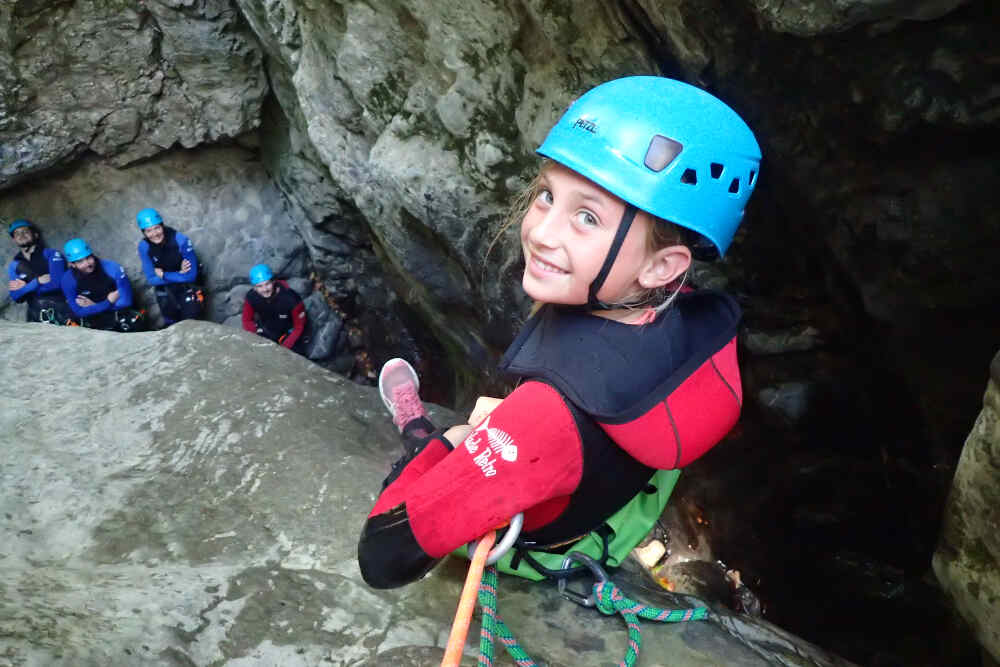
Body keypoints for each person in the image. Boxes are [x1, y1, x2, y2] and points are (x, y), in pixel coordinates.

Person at [358, 76, 762, 589]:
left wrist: (459, 442)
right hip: (603, 524)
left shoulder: (546, 419)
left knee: (439, 440)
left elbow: (383, 556)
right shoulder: (689, 321)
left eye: (587, 217)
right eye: (548, 194)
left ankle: (417, 429)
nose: (541, 232)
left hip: (531, 541)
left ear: (662, 267)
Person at [135, 208, 204, 326]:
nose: (155, 234)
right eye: (149, 231)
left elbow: (191, 276)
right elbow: (151, 279)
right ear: (144, 233)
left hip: (187, 288)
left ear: (162, 226)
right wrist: (180, 274)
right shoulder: (144, 246)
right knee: (171, 326)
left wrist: (164, 274)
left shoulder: (180, 240)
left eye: (157, 228)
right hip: (166, 293)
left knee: (192, 324)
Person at [60, 238, 144, 331]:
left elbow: (126, 302)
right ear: (72, 264)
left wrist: (94, 306)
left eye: (88, 258)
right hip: (97, 320)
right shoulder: (68, 280)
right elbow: (78, 312)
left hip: (122, 315)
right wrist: (108, 302)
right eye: (80, 261)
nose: (87, 263)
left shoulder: (111, 268)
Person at [6, 219, 74, 324]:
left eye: (25, 231)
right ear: (14, 240)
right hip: (35, 315)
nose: (21, 235)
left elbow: (57, 285)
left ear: (35, 235)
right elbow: (16, 297)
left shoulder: (52, 254)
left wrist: (25, 288)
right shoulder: (14, 265)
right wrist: (37, 282)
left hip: (61, 310)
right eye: (17, 233)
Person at [241, 263, 309, 354]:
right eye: (260, 286)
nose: (265, 289)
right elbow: (246, 320)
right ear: (254, 288)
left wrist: (283, 348)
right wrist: (256, 337)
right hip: (267, 330)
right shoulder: (252, 297)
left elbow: (299, 327)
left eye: (267, 284)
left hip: (288, 333)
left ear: (273, 282)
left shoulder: (291, 299)